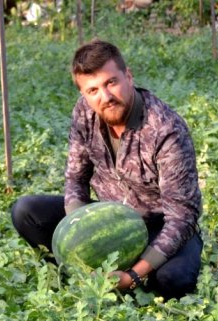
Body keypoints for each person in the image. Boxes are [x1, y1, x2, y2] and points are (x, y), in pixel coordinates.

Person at [11, 40, 203, 300]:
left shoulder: (166, 130)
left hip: (158, 227)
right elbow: (76, 178)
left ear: (128, 76)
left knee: (174, 279)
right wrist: (81, 235)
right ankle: (83, 278)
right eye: (93, 90)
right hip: (106, 219)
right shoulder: (84, 113)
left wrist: (135, 276)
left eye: (111, 82)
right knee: (26, 212)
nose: (105, 97)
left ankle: (132, 279)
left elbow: (182, 215)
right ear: (84, 94)